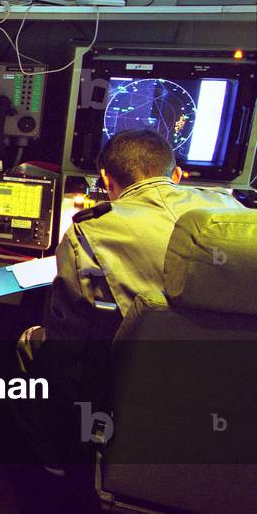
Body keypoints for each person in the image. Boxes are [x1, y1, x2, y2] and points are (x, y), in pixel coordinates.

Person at [14, 129, 241, 466]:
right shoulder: (234, 211)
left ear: (106, 180)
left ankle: (56, 460)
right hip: (233, 386)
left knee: (31, 342)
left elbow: (69, 343)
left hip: (132, 390)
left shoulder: (89, 232)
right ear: (176, 175)